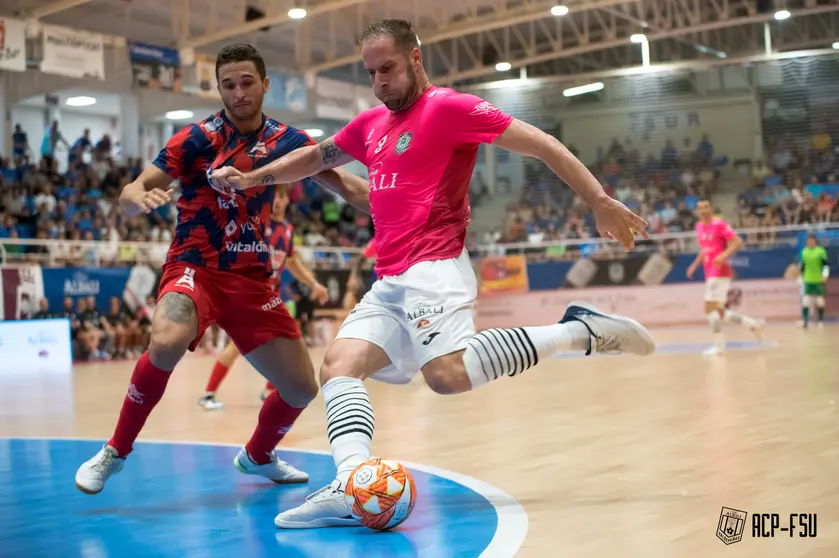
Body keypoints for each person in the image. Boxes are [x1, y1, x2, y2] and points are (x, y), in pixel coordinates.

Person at [211, 19, 656, 528]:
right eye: (371, 73)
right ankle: (352, 485)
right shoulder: (371, 124)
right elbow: (315, 157)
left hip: (436, 268)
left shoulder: (450, 108)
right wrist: (251, 178)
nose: (380, 82)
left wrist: (598, 199)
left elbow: (542, 143)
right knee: (338, 365)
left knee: (445, 377)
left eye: (389, 69)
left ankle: (578, 332)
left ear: (416, 60)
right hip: (391, 277)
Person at [74, 42, 370, 495]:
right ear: (219, 88)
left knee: (300, 389)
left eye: (247, 82)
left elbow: (345, 185)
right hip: (196, 267)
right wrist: (137, 200)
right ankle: (115, 450)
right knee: (168, 340)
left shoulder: (289, 141)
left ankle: (257, 456)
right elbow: (134, 189)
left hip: (252, 280)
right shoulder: (194, 139)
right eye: (228, 84)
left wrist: (397, 201)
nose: (238, 93)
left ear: (265, 84)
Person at [199, 185, 330, 410]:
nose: (277, 201)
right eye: (274, 196)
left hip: (271, 298)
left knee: (285, 342)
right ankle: (209, 394)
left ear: (288, 200)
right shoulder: (257, 221)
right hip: (250, 296)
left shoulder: (287, 230)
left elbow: (291, 262)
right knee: (241, 347)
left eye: (282, 196)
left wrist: (314, 284)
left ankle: (268, 390)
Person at [687, 200, 764, 356]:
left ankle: (719, 346)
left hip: (720, 272)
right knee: (720, 312)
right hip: (709, 273)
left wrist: (723, 255)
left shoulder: (719, 224)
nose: (703, 210)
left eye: (706, 207)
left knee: (708, 308)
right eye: (700, 208)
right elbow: (704, 249)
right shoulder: (699, 227)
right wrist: (695, 265)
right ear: (697, 211)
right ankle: (753, 325)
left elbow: (738, 242)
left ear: (711, 208)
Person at [798, 233, 829, 329]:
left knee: (820, 302)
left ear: (815, 241)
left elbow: (825, 265)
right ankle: (805, 321)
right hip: (808, 280)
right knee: (805, 301)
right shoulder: (804, 252)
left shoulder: (821, 251)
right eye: (808, 241)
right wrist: (800, 277)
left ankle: (820, 321)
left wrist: (825, 275)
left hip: (818, 280)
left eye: (812, 240)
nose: (810, 242)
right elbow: (802, 266)